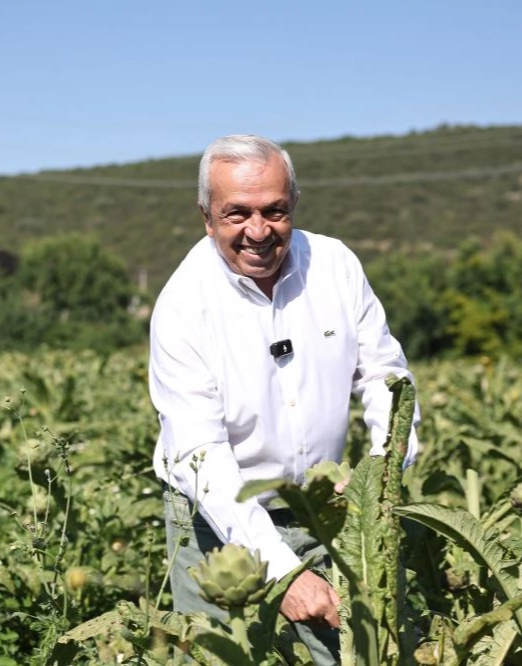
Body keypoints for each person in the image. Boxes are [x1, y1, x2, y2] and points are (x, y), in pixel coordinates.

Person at [148, 134, 420, 664]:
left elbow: (386, 376)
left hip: (327, 511)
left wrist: (380, 473)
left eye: (274, 211)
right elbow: (200, 454)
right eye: (237, 214)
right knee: (218, 658)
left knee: (357, 654)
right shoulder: (183, 306)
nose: (258, 231)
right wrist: (282, 570)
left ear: (294, 203)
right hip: (217, 521)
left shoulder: (334, 265)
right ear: (206, 217)